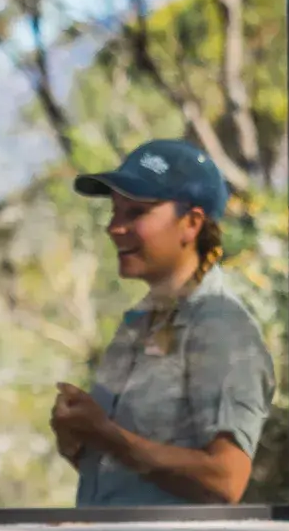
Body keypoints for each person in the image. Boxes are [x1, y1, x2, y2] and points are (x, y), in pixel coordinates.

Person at [53, 139, 276, 506]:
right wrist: (78, 440)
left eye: (136, 212)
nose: (114, 228)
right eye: (115, 211)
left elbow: (224, 481)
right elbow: (131, 483)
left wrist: (107, 435)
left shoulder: (221, 327)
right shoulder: (139, 323)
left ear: (191, 223)